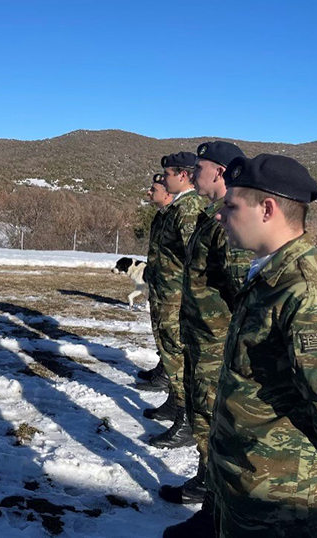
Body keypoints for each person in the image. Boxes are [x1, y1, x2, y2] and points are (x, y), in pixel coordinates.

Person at [203, 154, 317, 538]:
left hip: (280, 497)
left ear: (267, 209)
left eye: (231, 206)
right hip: (247, 480)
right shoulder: (270, 272)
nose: (219, 215)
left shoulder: (304, 288)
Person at [161, 142, 251, 537]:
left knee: (215, 426)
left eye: (200, 167)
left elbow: (242, 292)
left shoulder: (229, 223)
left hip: (218, 345)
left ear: (220, 172)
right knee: (204, 424)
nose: (193, 173)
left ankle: (216, 514)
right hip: (201, 341)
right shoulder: (211, 216)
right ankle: (210, 502)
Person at [141, 152, 205, 449]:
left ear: (182, 175)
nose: (163, 179)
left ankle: (186, 419)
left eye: (167, 174)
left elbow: (194, 259)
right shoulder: (176, 208)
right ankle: (174, 403)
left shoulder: (189, 209)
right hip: (165, 293)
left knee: (177, 355)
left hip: (176, 297)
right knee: (169, 352)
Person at [138, 174, 174, 384]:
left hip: (171, 287)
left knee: (170, 332)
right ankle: (163, 366)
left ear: (167, 193)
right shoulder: (160, 216)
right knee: (159, 329)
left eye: (154, 190)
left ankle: (168, 374)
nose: (149, 192)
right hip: (158, 283)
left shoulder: (175, 216)